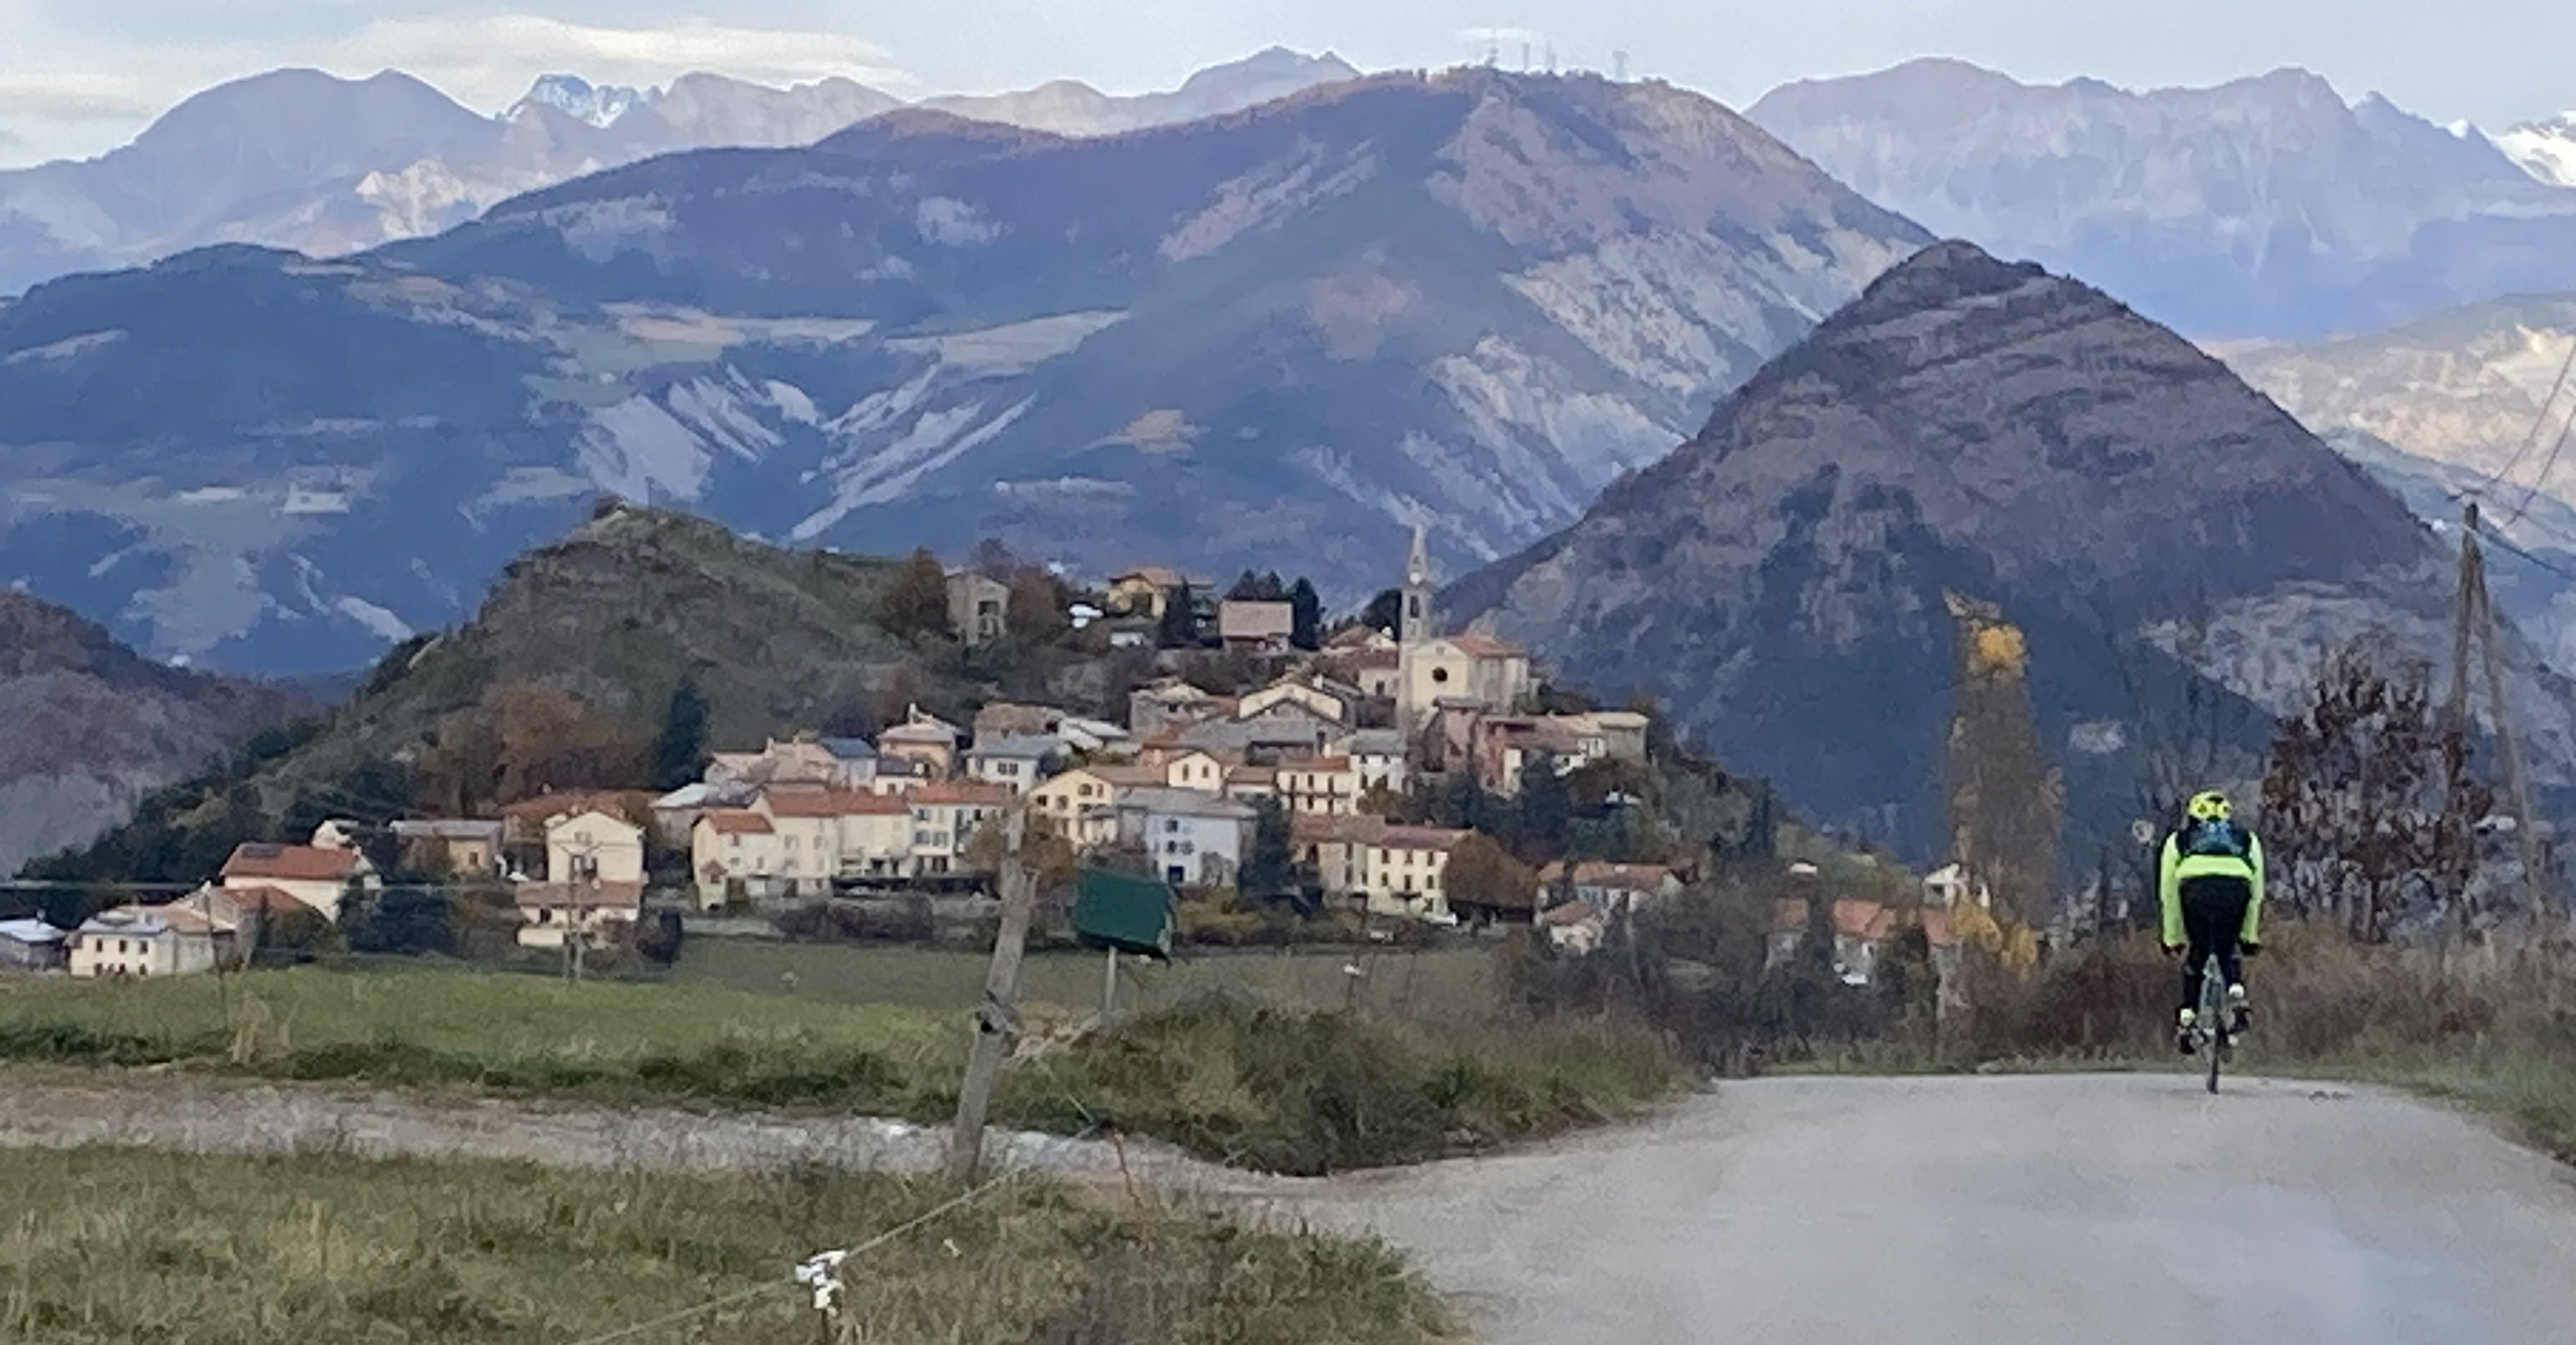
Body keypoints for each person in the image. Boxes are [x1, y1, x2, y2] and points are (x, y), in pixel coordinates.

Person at [2158, 790, 2265, 1054]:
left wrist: (2173, 939)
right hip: (2236, 888)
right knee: (2227, 950)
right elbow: (2257, 893)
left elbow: (2168, 893)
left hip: (2196, 890)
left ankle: (2188, 1019)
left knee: (2199, 953)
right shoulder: (2247, 840)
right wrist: (2249, 937)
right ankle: (2237, 994)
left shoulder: (2179, 841)